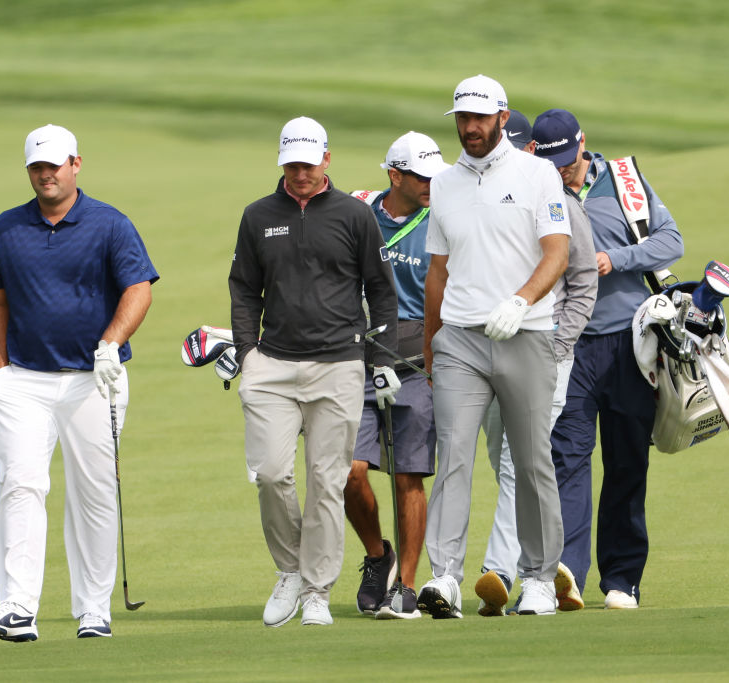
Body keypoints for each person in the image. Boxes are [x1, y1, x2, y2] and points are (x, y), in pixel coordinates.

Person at [0, 124, 158, 642]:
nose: (45, 174)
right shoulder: (6, 228)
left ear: (76, 164)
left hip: (93, 381)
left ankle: (93, 610)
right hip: (23, 381)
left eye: (54, 165)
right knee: (19, 485)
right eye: (36, 166)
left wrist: (109, 344)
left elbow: (138, 290)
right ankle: (16, 606)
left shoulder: (110, 224)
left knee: (93, 492)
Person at [228, 116, 400, 627]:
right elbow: (243, 288)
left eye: (308, 162)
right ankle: (291, 572)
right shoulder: (258, 215)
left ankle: (317, 592)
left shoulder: (353, 215)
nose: (300, 172)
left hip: (339, 364)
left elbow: (381, 291)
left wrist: (383, 359)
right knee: (271, 473)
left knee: (327, 482)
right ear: (282, 161)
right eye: (291, 163)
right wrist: (246, 351)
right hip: (271, 364)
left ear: (326, 159)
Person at [418, 76, 570, 619]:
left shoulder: (538, 173)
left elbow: (556, 253)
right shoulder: (442, 183)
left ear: (502, 118)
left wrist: (521, 301)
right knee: (453, 455)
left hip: (524, 334)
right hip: (460, 338)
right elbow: (438, 270)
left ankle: (538, 578)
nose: (470, 128)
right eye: (462, 118)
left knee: (530, 461)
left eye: (480, 118)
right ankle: (444, 579)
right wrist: (433, 344)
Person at [533, 108, 683, 609]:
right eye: (551, 162)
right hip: (565, 345)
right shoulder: (536, 188)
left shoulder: (624, 182)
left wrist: (613, 259)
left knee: (626, 461)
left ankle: (622, 578)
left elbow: (671, 240)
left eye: (568, 160)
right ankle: (567, 575)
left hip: (629, 345)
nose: (562, 172)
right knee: (567, 461)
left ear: (583, 145)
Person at [475, 110, 598, 616]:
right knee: (504, 458)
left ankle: (507, 571)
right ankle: (542, 562)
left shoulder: (563, 204)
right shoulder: (491, 200)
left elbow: (584, 281)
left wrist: (558, 346)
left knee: (516, 463)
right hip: (489, 353)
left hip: (545, 355)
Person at [346, 132, 449, 620]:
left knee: (409, 473)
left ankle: (405, 587)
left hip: (418, 361)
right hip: (356, 358)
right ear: (395, 175)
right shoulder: (356, 210)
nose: (433, 183)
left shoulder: (444, 218)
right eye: (423, 176)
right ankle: (376, 556)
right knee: (347, 472)